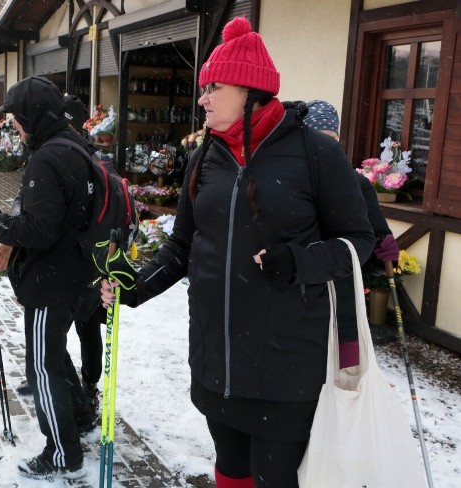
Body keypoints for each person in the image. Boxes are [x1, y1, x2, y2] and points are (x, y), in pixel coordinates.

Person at [99, 18, 374, 487]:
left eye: (214, 87)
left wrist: (298, 261)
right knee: (230, 467)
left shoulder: (315, 156)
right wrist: (135, 285)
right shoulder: (204, 158)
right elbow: (183, 244)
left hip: (286, 363)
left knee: (275, 476)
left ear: (251, 92)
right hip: (216, 357)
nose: (202, 98)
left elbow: (359, 242)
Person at [0, 76, 96, 479]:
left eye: (18, 118)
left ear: (33, 115)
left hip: (51, 282)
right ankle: (79, 416)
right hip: (77, 275)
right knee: (54, 357)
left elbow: (39, 230)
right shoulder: (77, 145)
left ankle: (62, 453)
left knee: (43, 368)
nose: (16, 127)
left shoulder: (47, 157)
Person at [0, 94, 104, 407]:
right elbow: (24, 200)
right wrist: (12, 233)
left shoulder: (78, 153)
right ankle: (60, 383)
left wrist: (4, 227)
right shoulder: (57, 149)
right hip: (72, 263)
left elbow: (49, 222)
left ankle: (88, 387)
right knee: (54, 336)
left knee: (85, 327)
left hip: (77, 264)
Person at [301, 100, 401, 354]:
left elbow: (370, 238)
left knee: (342, 363)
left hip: (341, 287)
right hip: (297, 282)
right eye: (317, 138)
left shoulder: (357, 183)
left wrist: (383, 248)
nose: (325, 147)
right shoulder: (289, 181)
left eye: (331, 140)